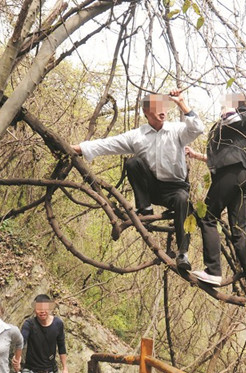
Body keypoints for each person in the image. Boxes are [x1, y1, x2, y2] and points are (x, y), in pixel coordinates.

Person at [71, 89, 205, 270]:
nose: (162, 110)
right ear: (146, 112)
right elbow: (107, 144)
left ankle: (183, 254)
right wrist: (75, 148)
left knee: (183, 199)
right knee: (133, 162)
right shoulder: (138, 135)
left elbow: (197, 128)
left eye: (164, 106)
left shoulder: (177, 130)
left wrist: (181, 103)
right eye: (157, 107)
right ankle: (145, 208)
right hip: (152, 188)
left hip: (176, 189)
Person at [185, 93, 246, 301]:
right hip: (243, 175)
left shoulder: (243, 114)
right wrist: (197, 155)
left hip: (232, 173)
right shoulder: (233, 125)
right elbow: (223, 154)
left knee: (207, 217)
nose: (222, 107)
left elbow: (233, 117)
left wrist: (230, 106)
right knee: (239, 230)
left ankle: (213, 271)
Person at [14, 294, 69, 373]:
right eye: (39, 308)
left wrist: (65, 368)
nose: (42, 311)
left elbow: (61, 346)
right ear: (34, 309)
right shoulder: (29, 324)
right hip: (30, 372)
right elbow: (21, 341)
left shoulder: (58, 324)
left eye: (45, 308)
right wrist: (17, 357)